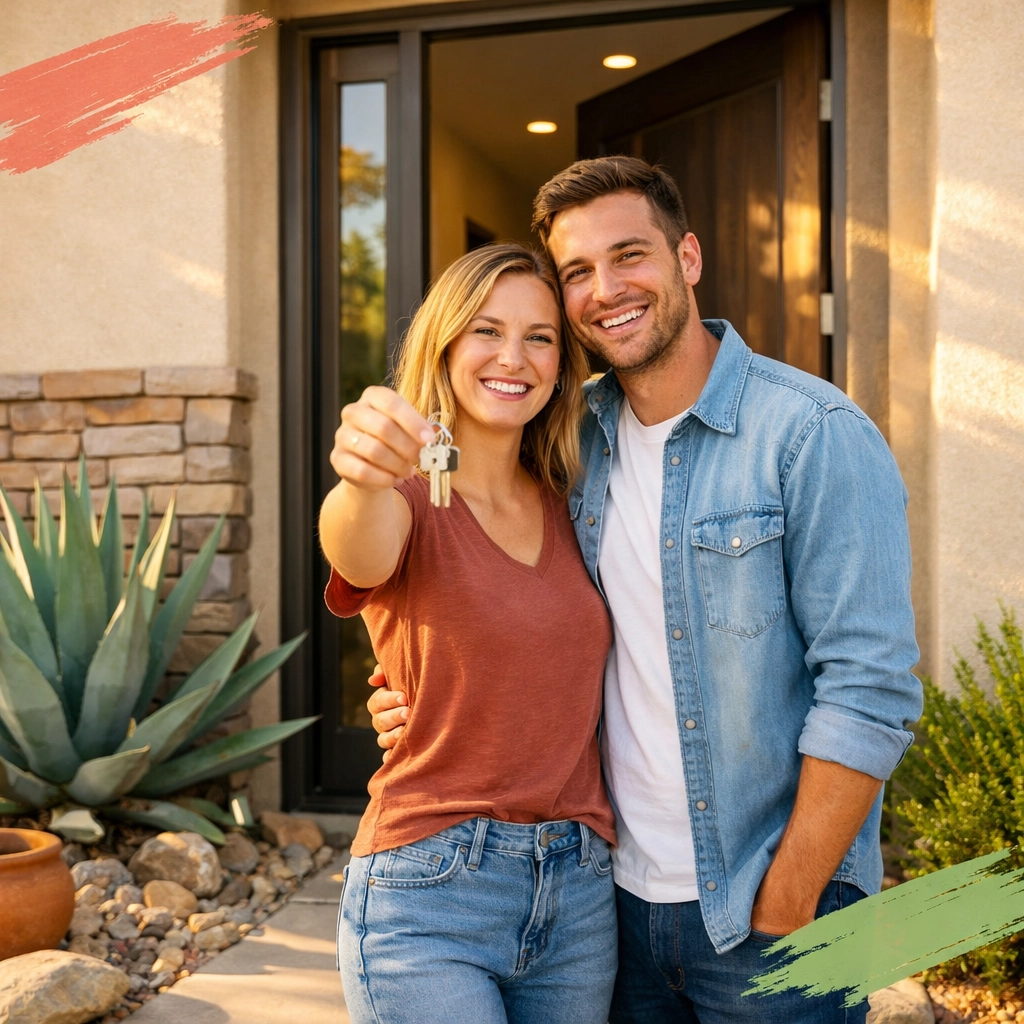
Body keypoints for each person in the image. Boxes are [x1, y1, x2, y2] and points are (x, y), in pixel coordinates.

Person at [368, 156, 923, 1024]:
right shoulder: (568, 439)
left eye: (630, 255)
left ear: (688, 259)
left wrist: (787, 901)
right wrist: (419, 690)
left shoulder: (812, 434)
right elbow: (504, 609)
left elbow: (871, 691)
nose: (605, 289)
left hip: (772, 912)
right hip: (608, 909)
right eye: (578, 272)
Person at [318, 242, 619, 1024]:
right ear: (444, 345)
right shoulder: (406, 497)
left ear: (562, 361)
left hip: (580, 893)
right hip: (430, 887)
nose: (512, 356)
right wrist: (361, 475)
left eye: (541, 336)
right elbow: (356, 542)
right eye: (486, 330)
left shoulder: (573, 501)